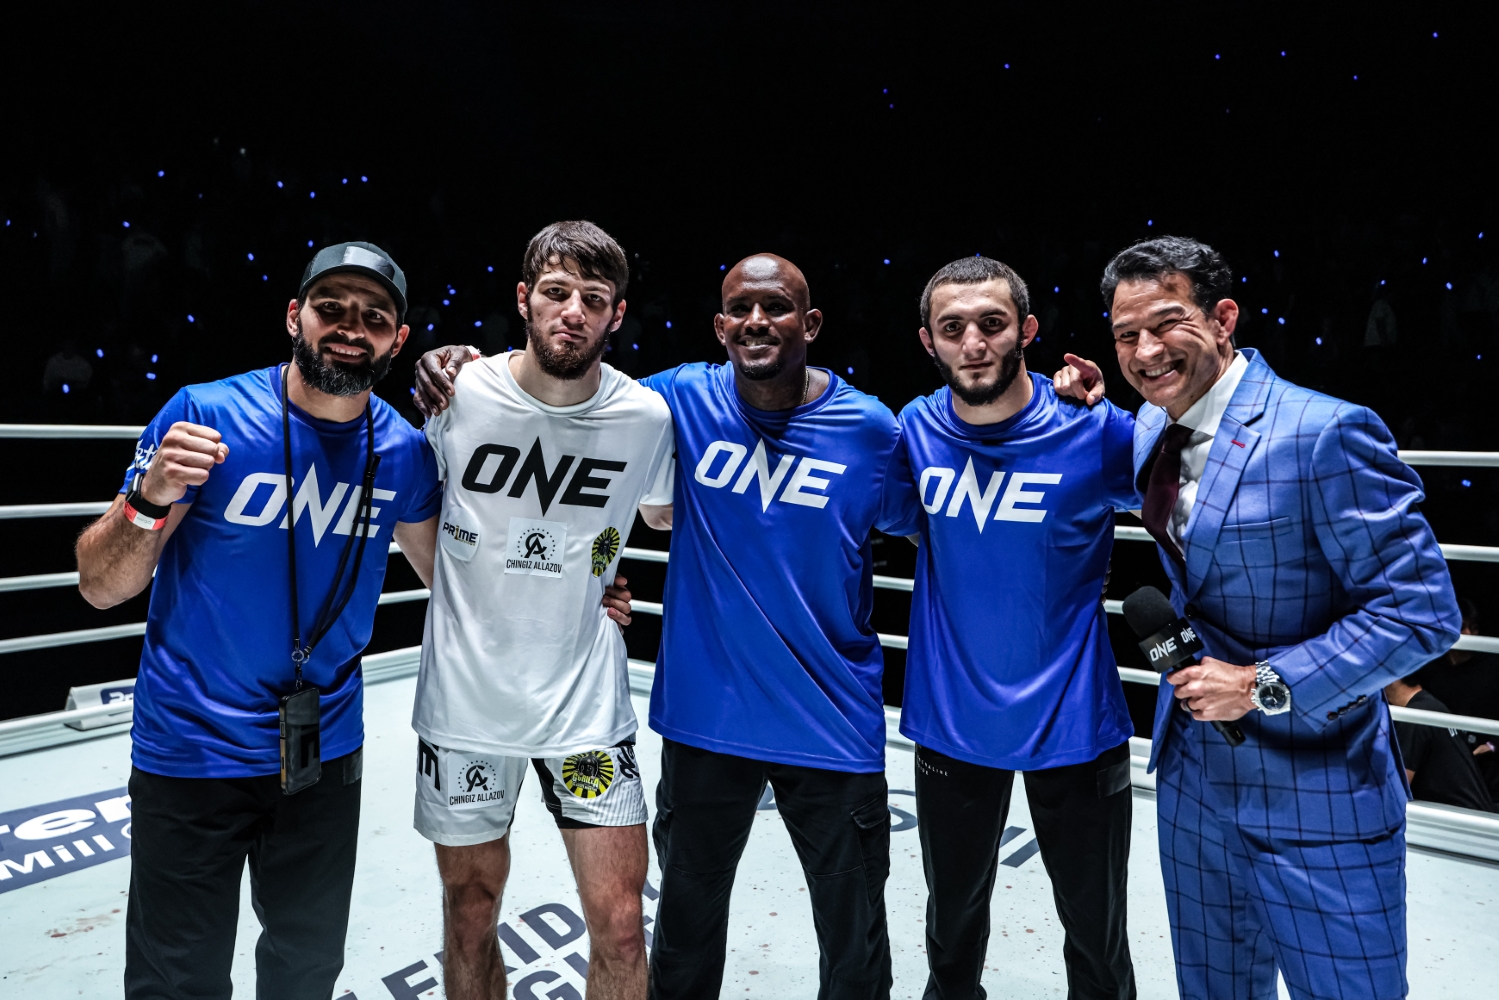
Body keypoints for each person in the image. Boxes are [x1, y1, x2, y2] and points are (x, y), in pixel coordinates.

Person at [415, 253, 913, 1000]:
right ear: (718, 327)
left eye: (776, 308)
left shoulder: (867, 428)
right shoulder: (676, 398)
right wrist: (451, 360)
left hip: (828, 725)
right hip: (702, 721)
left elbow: (925, 523)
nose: (755, 322)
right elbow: (548, 407)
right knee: (670, 937)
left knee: (847, 944)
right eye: (739, 309)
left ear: (809, 324)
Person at [1060, 235, 1461, 1000]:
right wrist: (1088, 404)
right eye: (1123, 335)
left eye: (1165, 324)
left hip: (1320, 784)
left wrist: (1260, 683)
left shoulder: (1324, 432)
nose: (1144, 351)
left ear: (1222, 318)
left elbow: (1421, 612)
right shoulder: (1150, 426)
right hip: (1193, 781)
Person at [75, 243, 443, 1000]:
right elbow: (101, 587)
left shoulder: (404, 452)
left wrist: (582, 593)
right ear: (293, 317)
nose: (351, 327)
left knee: (307, 968)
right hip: (190, 748)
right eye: (331, 307)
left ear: (397, 341)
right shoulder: (205, 414)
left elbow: (454, 578)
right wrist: (148, 496)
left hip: (324, 749)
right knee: (176, 978)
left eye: (374, 317)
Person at [406, 221, 674, 1000]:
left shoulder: (646, 419)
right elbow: (409, 506)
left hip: (585, 709)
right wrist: (459, 599)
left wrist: (602, 583)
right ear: (523, 299)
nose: (572, 313)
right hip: (464, 710)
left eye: (593, 300)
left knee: (622, 924)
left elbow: (656, 517)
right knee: (469, 913)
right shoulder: (455, 393)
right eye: (556, 293)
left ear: (615, 316)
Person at [890, 256, 1138, 999]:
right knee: (950, 935)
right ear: (928, 341)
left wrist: (1106, 406)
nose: (974, 342)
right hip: (952, 723)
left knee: (1097, 940)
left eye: (991, 324)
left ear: (1025, 330)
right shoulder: (911, 429)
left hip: (1075, 722)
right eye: (953, 328)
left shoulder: (1092, 431)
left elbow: (1185, 489)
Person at [1384, 671, 1496, 812]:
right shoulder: (1432, 706)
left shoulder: (1415, 716)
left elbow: (1396, 790)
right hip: (1472, 815)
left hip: (1458, 823)